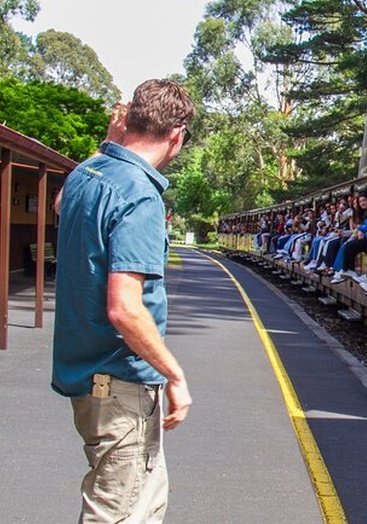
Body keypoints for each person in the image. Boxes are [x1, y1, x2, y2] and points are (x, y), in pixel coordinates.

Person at [52, 79, 194, 523]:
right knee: (118, 511)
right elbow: (125, 308)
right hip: (120, 383)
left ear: (128, 121)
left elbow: (60, 204)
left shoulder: (86, 174)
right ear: (177, 135)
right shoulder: (140, 195)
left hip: (87, 375)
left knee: (139, 503)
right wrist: (174, 374)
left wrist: (106, 144)